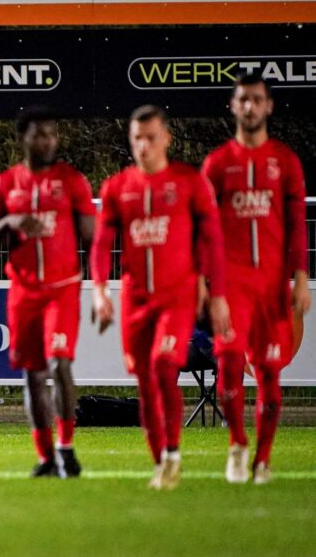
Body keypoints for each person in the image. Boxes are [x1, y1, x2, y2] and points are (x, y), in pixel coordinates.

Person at [90, 105, 229, 490]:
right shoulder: (117, 188)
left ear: (166, 137)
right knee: (145, 381)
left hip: (177, 295)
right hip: (136, 300)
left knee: (165, 367)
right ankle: (161, 459)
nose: (144, 146)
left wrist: (214, 291)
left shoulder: (189, 183)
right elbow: (101, 245)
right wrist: (100, 290)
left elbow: (212, 240)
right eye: (137, 138)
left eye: (151, 137)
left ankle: (171, 454)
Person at [202, 73, 310, 484]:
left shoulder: (284, 161)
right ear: (233, 106)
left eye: (257, 99)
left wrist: (300, 278)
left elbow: (298, 224)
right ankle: (237, 444)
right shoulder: (217, 164)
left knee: (268, 371)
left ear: (269, 107)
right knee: (229, 365)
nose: (250, 106)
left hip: (271, 286)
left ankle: (263, 459)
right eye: (243, 99)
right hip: (231, 287)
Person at [0, 108, 95, 477]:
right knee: (32, 373)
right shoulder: (5, 184)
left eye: (52, 134)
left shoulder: (72, 181)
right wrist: (11, 222)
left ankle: (66, 448)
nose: (47, 140)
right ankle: (45, 456)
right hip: (24, 291)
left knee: (60, 362)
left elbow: (92, 234)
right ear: (24, 138)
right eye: (39, 134)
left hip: (61, 289)